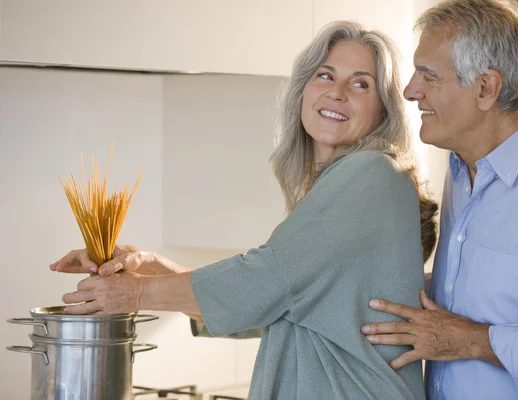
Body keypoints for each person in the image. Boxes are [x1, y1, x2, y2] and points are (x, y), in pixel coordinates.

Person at [50, 21, 439, 399]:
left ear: (383, 112)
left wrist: (134, 294)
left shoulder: (370, 172)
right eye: (325, 75)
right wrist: (148, 266)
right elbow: (272, 301)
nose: (337, 92)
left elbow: (263, 281)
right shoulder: (337, 185)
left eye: (360, 83)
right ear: (303, 90)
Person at [360, 0, 518, 399]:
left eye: (428, 76)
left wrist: (473, 342)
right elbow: (469, 300)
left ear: (486, 88)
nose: (409, 90)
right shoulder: (461, 172)